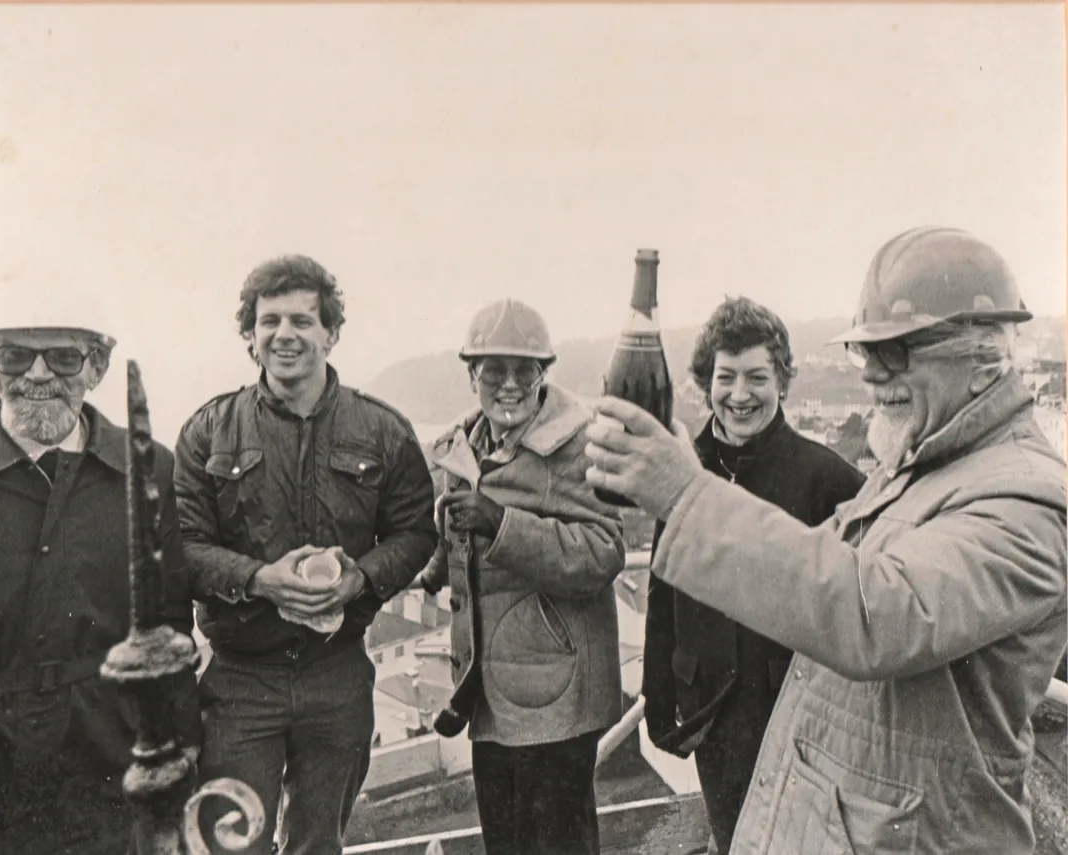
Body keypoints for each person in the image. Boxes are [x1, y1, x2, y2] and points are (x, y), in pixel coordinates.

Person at [584, 226, 1067, 855]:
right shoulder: (920, 468)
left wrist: (685, 496)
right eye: (867, 355)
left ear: (980, 364)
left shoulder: (1026, 499)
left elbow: (878, 613)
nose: (872, 376)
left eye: (897, 354)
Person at [173, 254, 438, 855]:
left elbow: (417, 532)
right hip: (240, 681)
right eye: (269, 321)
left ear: (331, 332)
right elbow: (182, 548)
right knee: (227, 845)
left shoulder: (383, 431)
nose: (284, 334)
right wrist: (258, 579)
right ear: (250, 335)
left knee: (319, 844)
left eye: (302, 320)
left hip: (337, 672)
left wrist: (360, 579)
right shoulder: (207, 432)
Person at [0, 296, 200, 855]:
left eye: (61, 357)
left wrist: (181, 757)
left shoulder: (147, 468)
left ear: (97, 366)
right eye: (16, 356)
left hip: (106, 768)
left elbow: (172, 627)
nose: (38, 375)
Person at [641, 296, 864, 855]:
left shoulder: (829, 478)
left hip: (798, 715)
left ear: (783, 381)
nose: (740, 395)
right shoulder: (681, 467)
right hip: (712, 716)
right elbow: (662, 591)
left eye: (757, 377)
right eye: (727, 377)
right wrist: (657, 696)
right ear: (704, 382)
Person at [415, 298, 627, 855]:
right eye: (494, 371)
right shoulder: (466, 446)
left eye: (524, 371)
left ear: (544, 374)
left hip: (555, 703)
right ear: (471, 376)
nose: (508, 385)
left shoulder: (580, 444)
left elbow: (606, 551)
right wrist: (434, 569)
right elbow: (456, 531)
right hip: (490, 699)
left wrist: (503, 524)